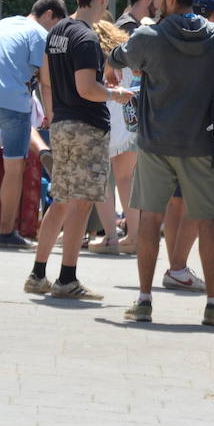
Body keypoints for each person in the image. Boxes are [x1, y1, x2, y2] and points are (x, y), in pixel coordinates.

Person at [109, 0, 214, 326]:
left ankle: (145, 300)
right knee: (207, 220)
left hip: (156, 143)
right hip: (201, 142)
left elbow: (120, 56)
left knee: (150, 217)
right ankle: (213, 304)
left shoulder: (150, 36)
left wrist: (109, 63)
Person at [24, 0, 132, 300]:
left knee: (61, 199)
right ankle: (67, 279)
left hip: (63, 125)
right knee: (82, 204)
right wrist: (115, 94)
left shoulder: (57, 31)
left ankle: (38, 273)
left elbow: (46, 76)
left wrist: (56, 112)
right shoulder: (86, 38)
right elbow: (87, 89)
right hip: (86, 127)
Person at [0, 0, 67, 247]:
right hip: (11, 105)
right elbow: (46, 82)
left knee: (1, 158)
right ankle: (5, 233)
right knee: (15, 168)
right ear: (49, 14)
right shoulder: (40, 35)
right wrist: (52, 117)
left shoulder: (3, 23)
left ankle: (42, 151)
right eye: (56, 25)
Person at [89, 19, 138, 255]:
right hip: (129, 120)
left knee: (101, 179)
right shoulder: (124, 53)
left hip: (104, 117)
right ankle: (135, 236)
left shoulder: (93, 54)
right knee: (126, 178)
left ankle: (110, 237)